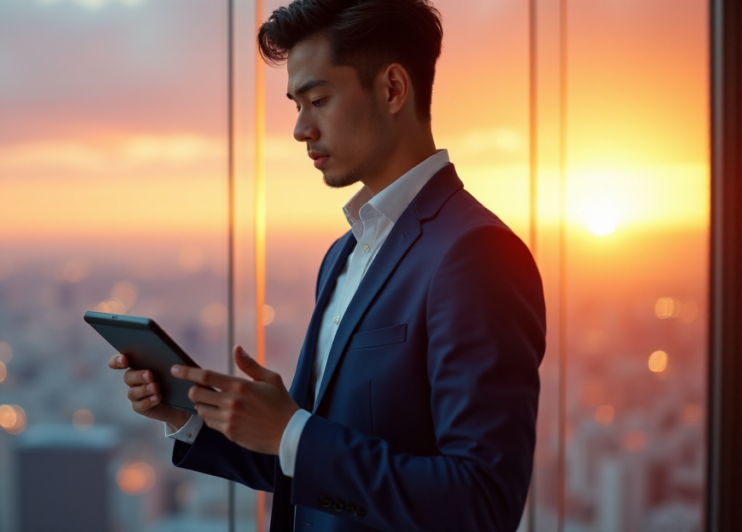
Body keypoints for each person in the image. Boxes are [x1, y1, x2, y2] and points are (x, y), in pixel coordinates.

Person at [109, 0, 546, 529]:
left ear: (391, 89)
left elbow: (481, 502)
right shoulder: (343, 254)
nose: (299, 129)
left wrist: (292, 431)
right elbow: (310, 465)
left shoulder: (475, 254)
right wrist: (187, 416)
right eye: (296, 104)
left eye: (318, 100)